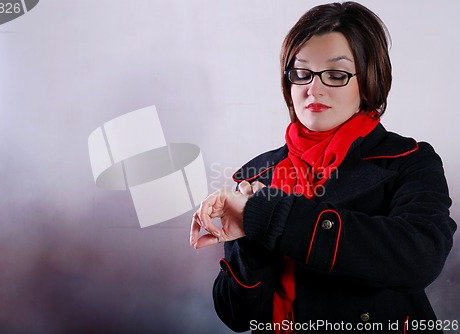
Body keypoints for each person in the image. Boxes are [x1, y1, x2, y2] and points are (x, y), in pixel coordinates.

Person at [190, 2, 456, 334]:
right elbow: (237, 315)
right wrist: (250, 240)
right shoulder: (256, 174)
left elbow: (421, 256)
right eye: (301, 73)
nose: (313, 89)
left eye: (335, 74)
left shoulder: (410, 160)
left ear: (369, 79)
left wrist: (272, 216)